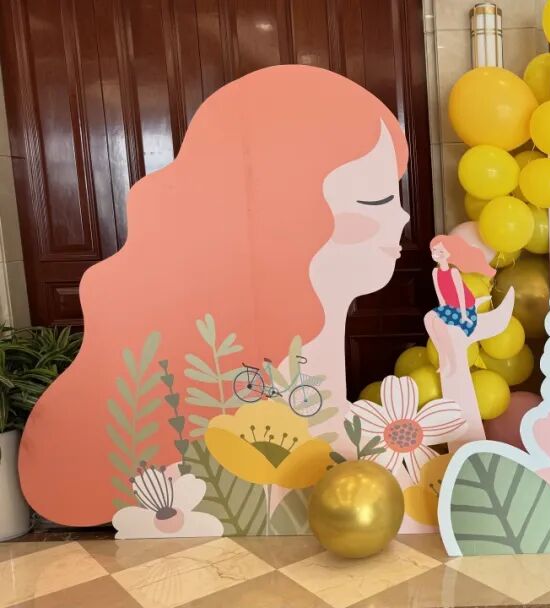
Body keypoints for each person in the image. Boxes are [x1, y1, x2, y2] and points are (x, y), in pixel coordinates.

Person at [18, 65, 410, 528]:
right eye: (376, 202)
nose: (402, 218)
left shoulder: (314, 370)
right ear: (295, 215)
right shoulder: (246, 390)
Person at [426, 235, 496, 374]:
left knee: (447, 331)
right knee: (429, 320)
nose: (438, 254)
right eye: (435, 251)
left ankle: (450, 361)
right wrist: (443, 312)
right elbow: (440, 294)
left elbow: (461, 294)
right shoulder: (435, 272)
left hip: (465, 307)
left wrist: (464, 315)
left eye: (441, 251)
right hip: (450, 307)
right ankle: (444, 359)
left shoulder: (454, 272)